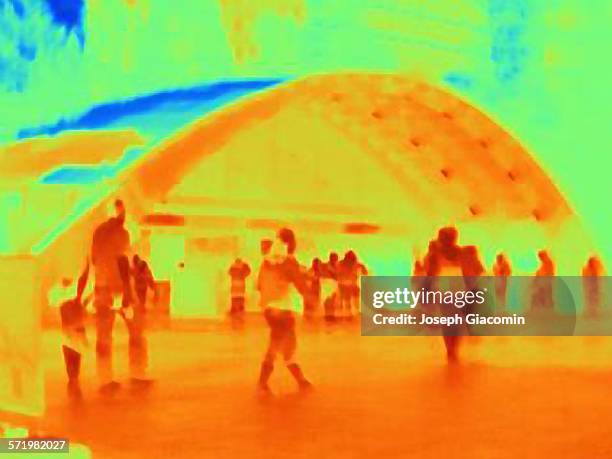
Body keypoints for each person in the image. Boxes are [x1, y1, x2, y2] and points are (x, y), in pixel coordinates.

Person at [91, 199, 151, 395]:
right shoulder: (120, 233)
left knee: (104, 336)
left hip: (102, 289)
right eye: (123, 212)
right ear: (119, 214)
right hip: (118, 289)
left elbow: (94, 260)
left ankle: (105, 380)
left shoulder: (97, 233)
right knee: (136, 331)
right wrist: (125, 291)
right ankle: (137, 374)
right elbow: (122, 260)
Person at [258, 228, 312, 394]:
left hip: (269, 309)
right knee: (279, 344)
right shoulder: (289, 261)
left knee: (283, 341)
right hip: (283, 309)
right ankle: (263, 382)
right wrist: (310, 298)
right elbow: (299, 283)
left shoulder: (266, 261)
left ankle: (300, 380)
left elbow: (259, 285)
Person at [422, 227, 465, 363]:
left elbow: (430, 272)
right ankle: (453, 349)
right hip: (457, 287)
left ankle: (451, 349)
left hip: (445, 288)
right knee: (455, 320)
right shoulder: (460, 252)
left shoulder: (436, 253)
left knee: (449, 320)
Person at [58, 262, 90, 400]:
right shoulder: (72, 302)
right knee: (74, 361)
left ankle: (73, 381)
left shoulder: (64, 303)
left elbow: (82, 283)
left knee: (71, 361)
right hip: (74, 334)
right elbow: (82, 283)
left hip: (70, 335)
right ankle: (74, 381)